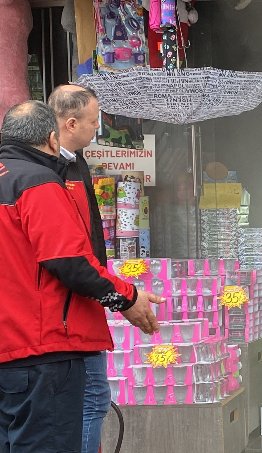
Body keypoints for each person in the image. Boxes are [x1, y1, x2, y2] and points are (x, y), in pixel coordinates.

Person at [0, 100, 162, 452]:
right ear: (52, 139)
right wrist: (127, 298)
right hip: (41, 350)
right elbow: (70, 261)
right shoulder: (37, 182)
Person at [47, 84, 110, 453]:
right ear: (70, 123)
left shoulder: (76, 162)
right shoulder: (48, 172)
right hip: (67, 307)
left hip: (83, 299)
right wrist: (120, 296)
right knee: (92, 398)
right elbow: (67, 255)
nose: (97, 128)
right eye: (92, 121)